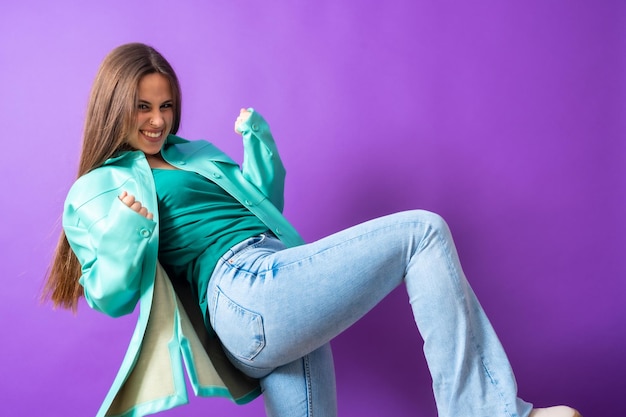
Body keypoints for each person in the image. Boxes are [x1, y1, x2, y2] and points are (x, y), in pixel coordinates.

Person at [43, 43, 582, 417]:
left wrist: (258, 143)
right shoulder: (97, 189)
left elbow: (262, 207)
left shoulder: (192, 155)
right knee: (422, 232)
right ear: (116, 106)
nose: (158, 120)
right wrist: (133, 228)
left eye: (165, 106)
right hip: (244, 288)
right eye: (143, 107)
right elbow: (109, 296)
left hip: (278, 281)